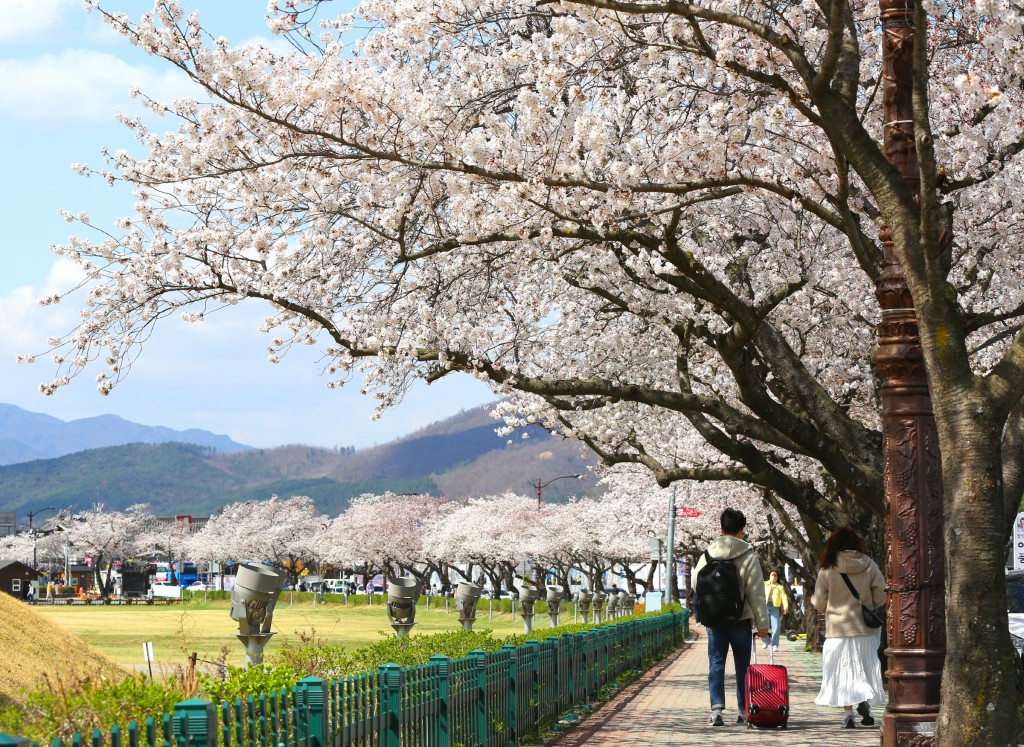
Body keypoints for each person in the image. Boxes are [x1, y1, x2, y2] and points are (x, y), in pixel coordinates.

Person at [692, 508, 770, 727]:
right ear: (742, 530)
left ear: (721, 529)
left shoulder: (707, 554)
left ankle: (716, 710)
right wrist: (763, 624)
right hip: (740, 619)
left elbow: (695, 583)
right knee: (742, 666)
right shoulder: (748, 555)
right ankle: (744, 710)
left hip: (714, 620)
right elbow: (756, 593)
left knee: (716, 663)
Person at [811, 526, 886, 729]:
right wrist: (869, 605)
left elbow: (819, 602)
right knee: (864, 667)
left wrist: (831, 607)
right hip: (864, 629)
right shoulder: (869, 565)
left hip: (838, 630)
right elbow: (881, 594)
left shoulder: (827, 570)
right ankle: (865, 704)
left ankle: (848, 715)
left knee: (843, 670)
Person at [763, 570, 789, 650]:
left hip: (775, 607)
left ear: (777, 577)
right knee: (763, 625)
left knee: (776, 627)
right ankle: (765, 641)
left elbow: (784, 598)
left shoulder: (780, 587)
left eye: (775, 575)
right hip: (764, 606)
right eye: (772, 575)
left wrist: (786, 607)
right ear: (769, 576)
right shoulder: (764, 584)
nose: (773, 577)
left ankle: (774, 645)